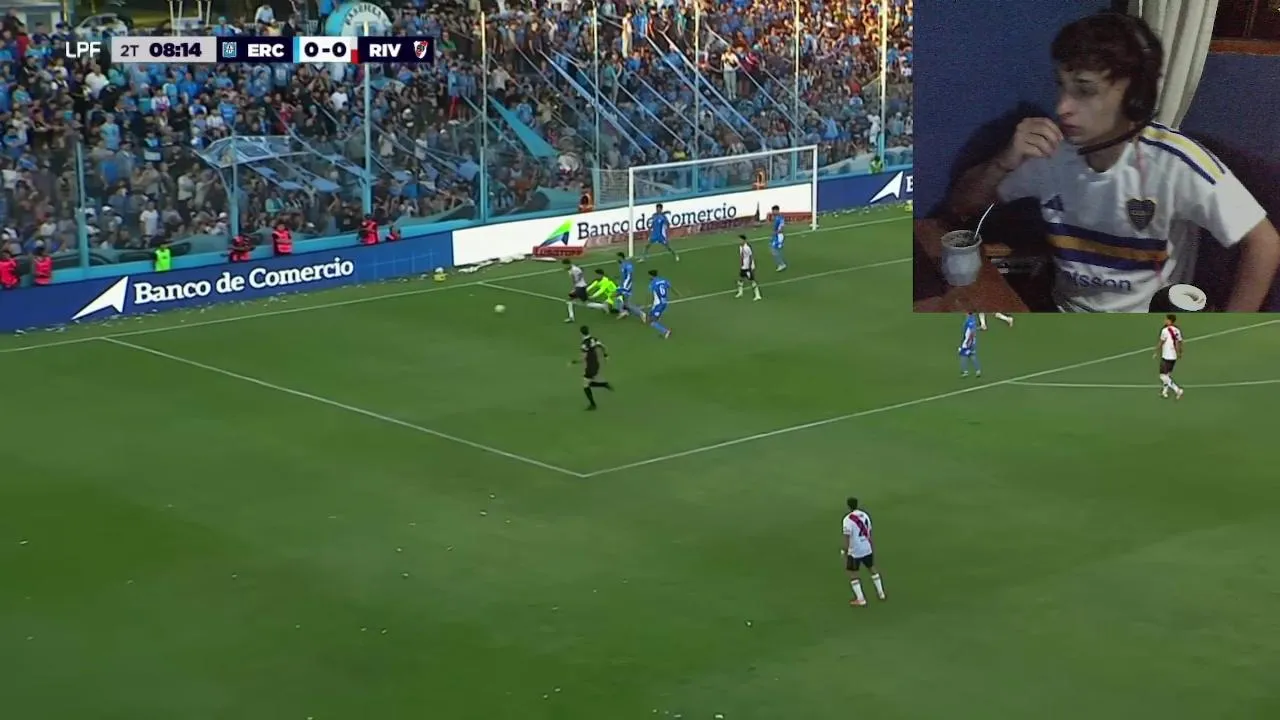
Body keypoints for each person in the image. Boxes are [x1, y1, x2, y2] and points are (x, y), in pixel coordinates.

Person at [947, 11, 1280, 312]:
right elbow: (964, 205)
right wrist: (1003, 162)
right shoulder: (1052, 153)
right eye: (1061, 87)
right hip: (1063, 317)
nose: (1062, 107)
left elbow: (1264, 243)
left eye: (1084, 90)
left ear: (1135, 95)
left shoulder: (1176, 162)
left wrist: (1226, 336)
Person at [842, 497, 886, 607]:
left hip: (855, 550)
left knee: (853, 573)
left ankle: (860, 599)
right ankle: (881, 593)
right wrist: (871, 545)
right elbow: (869, 531)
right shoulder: (865, 515)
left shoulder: (848, 519)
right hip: (866, 547)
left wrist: (846, 550)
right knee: (872, 568)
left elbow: (847, 536)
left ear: (848, 506)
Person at [572, 325, 613, 410]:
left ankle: (593, 404)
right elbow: (603, 346)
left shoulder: (584, 344)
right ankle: (604, 385)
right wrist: (606, 355)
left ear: (581, 333)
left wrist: (574, 362)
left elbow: (583, 358)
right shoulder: (594, 339)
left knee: (585, 385)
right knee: (587, 383)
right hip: (596, 364)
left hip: (590, 366)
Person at [1155, 313, 1184, 400]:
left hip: (1166, 356)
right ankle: (1164, 392)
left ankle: (1177, 390)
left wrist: (1156, 351)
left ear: (1170, 321)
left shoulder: (1165, 330)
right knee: (1167, 375)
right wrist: (1180, 353)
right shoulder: (1177, 330)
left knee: (1163, 376)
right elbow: (1179, 342)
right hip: (1173, 357)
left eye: (1166, 319)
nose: (1165, 321)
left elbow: (1161, 342)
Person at [646, 269, 674, 338]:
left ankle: (666, 331)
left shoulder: (652, 284)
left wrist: (647, 303)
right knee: (650, 316)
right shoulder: (664, 280)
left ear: (651, 276)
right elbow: (670, 287)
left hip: (658, 305)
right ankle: (657, 317)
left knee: (651, 322)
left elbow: (651, 295)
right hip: (664, 303)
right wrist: (677, 293)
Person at [735, 234, 762, 300]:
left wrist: (751, 265)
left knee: (752, 281)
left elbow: (751, 256)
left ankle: (757, 295)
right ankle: (740, 292)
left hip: (747, 267)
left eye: (740, 240)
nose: (739, 241)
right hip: (743, 267)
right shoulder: (740, 247)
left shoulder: (747, 247)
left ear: (744, 240)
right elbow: (742, 256)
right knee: (740, 279)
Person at [615, 252, 642, 318]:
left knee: (622, 299)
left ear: (621, 257)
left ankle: (641, 314)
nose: (616, 259)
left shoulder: (627, 265)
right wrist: (618, 278)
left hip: (627, 285)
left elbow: (629, 276)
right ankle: (623, 311)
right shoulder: (622, 264)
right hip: (624, 284)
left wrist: (624, 286)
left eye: (617, 257)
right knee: (622, 299)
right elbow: (624, 275)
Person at [563, 258, 590, 322]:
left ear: (568, 264)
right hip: (579, 287)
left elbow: (580, 273)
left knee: (570, 301)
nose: (564, 266)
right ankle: (603, 306)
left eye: (565, 265)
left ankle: (571, 317)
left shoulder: (575, 269)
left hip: (580, 287)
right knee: (585, 302)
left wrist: (577, 280)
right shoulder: (571, 269)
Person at [959, 310, 981, 377]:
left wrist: (969, 342)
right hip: (972, 341)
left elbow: (972, 332)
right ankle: (978, 370)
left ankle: (965, 371)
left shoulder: (969, 320)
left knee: (963, 355)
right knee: (972, 355)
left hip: (968, 341)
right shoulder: (973, 319)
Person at [769, 205, 787, 271]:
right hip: (776, 236)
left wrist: (776, 233)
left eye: (773, 211)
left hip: (779, 236)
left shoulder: (780, 218)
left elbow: (782, 228)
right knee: (774, 249)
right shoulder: (776, 218)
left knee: (774, 250)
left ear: (777, 210)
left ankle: (782, 264)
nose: (772, 212)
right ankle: (781, 263)